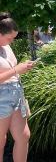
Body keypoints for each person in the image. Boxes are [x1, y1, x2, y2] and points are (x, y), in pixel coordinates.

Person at [0, 12, 36, 161]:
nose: (12, 41)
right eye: (10, 38)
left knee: (24, 136)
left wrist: (23, 68)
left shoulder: (6, 46)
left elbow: (11, 69)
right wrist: (16, 70)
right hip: (1, 97)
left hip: (15, 93)